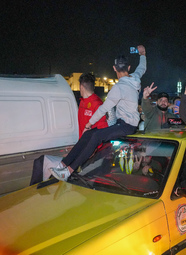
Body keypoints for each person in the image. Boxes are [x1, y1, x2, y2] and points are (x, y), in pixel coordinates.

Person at [50, 45, 147, 181]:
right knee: (89, 134)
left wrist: (89, 124)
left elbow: (102, 109)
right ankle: (63, 164)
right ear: (129, 67)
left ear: (114, 69)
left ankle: (68, 171)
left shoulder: (118, 88)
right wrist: (143, 55)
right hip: (125, 124)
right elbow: (142, 68)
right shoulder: (135, 78)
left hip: (127, 125)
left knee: (95, 136)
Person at [78, 73, 108, 138]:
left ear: (81, 87)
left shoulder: (97, 104)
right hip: (82, 142)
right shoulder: (82, 102)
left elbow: (102, 129)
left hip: (93, 145)